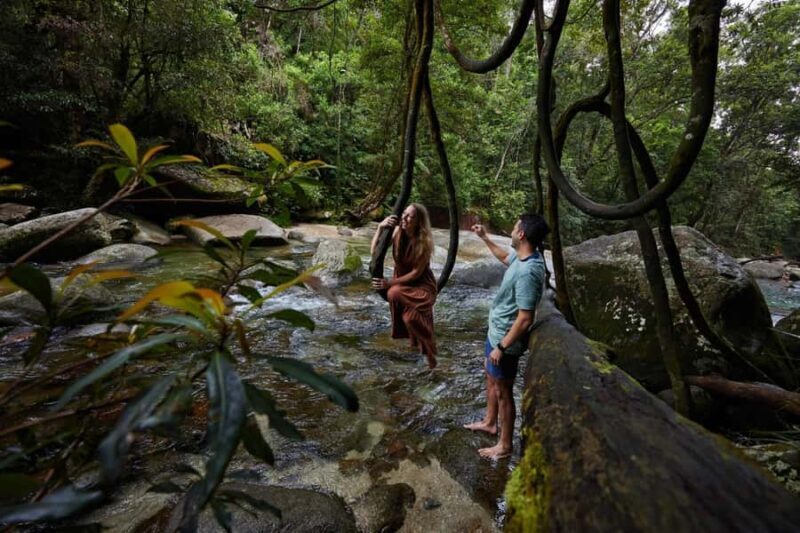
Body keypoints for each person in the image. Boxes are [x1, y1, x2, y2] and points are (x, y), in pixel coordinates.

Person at [464, 214, 549, 459]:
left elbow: (525, 318)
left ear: (521, 234)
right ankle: (490, 422)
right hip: (497, 331)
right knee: (491, 377)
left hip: (505, 340)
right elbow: (504, 257)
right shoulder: (523, 258)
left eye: (514, 228)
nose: (511, 231)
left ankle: (504, 446)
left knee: (503, 391)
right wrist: (484, 238)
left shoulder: (529, 272)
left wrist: (501, 346)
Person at [371, 203, 439, 369]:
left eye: (410, 216)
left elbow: (416, 273)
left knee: (394, 294)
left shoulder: (424, 242)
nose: (404, 218)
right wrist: (380, 228)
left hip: (421, 285)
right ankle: (421, 354)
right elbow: (374, 253)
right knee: (409, 319)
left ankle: (430, 355)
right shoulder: (396, 232)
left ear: (418, 222)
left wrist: (389, 283)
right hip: (401, 283)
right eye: (404, 214)